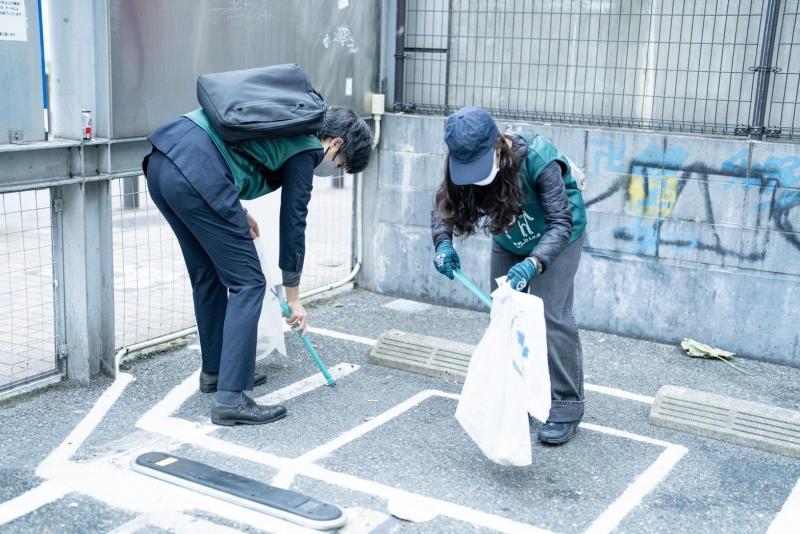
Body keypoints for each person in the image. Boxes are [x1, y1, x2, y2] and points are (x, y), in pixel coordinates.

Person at [143, 106, 373, 426]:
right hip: (196, 176)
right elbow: (294, 223)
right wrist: (293, 297)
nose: (332, 169)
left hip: (162, 161)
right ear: (334, 143)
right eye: (340, 163)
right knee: (249, 283)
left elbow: (222, 148)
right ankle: (231, 399)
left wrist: (237, 210)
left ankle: (216, 371)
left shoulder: (290, 118)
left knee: (206, 273)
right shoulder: (306, 147)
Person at [431, 107, 587, 445]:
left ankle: (565, 405)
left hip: (558, 236)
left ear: (498, 147)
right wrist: (443, 244)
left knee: (549, 313)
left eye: (479, 165)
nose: (472, 176)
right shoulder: (457, 164)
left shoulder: (537, 157)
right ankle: (518, 393)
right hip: (510, 237)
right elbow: (443, 205)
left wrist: (534, 264)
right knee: (503, 312)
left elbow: (561, 222)